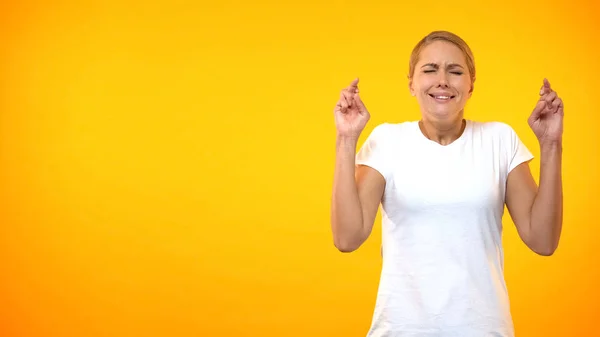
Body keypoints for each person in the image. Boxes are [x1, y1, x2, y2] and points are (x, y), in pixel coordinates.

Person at [330, 30, 564, 337]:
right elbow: (347, 238)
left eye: (455, 71)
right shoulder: (387, 141)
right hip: (401, 329)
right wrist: (346, 138)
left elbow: (543, 240)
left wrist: (551, 144)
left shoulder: (500, 140)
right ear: (412, 83)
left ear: (470, 86)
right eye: (430, 70)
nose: (442, 80)